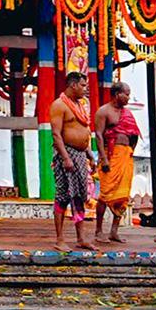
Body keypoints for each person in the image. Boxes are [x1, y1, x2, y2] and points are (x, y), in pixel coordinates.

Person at [47, 77, 98, 248]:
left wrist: (90, 155)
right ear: (73, 85)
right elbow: (56, 134)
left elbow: (82, 131)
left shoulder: (79, 105)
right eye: (83, 85)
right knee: (63, 196)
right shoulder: (59, 105)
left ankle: (81, 238)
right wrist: (66, 158)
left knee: (79, 196)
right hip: (66, 154)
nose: (85, 89)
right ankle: (60, 239)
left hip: (80, 154)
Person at [96, 83, 140, 247]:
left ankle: (114, 231)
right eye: (126, 94)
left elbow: (134, 133)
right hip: (110, 155)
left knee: (122, 195)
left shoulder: (127, 113)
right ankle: (98, 230)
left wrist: (131, 151)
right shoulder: (104, 111)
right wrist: (104, 158)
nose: (128, 98)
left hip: (125, 156)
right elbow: (99, 136)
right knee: (105, 193)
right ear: (116, 94)